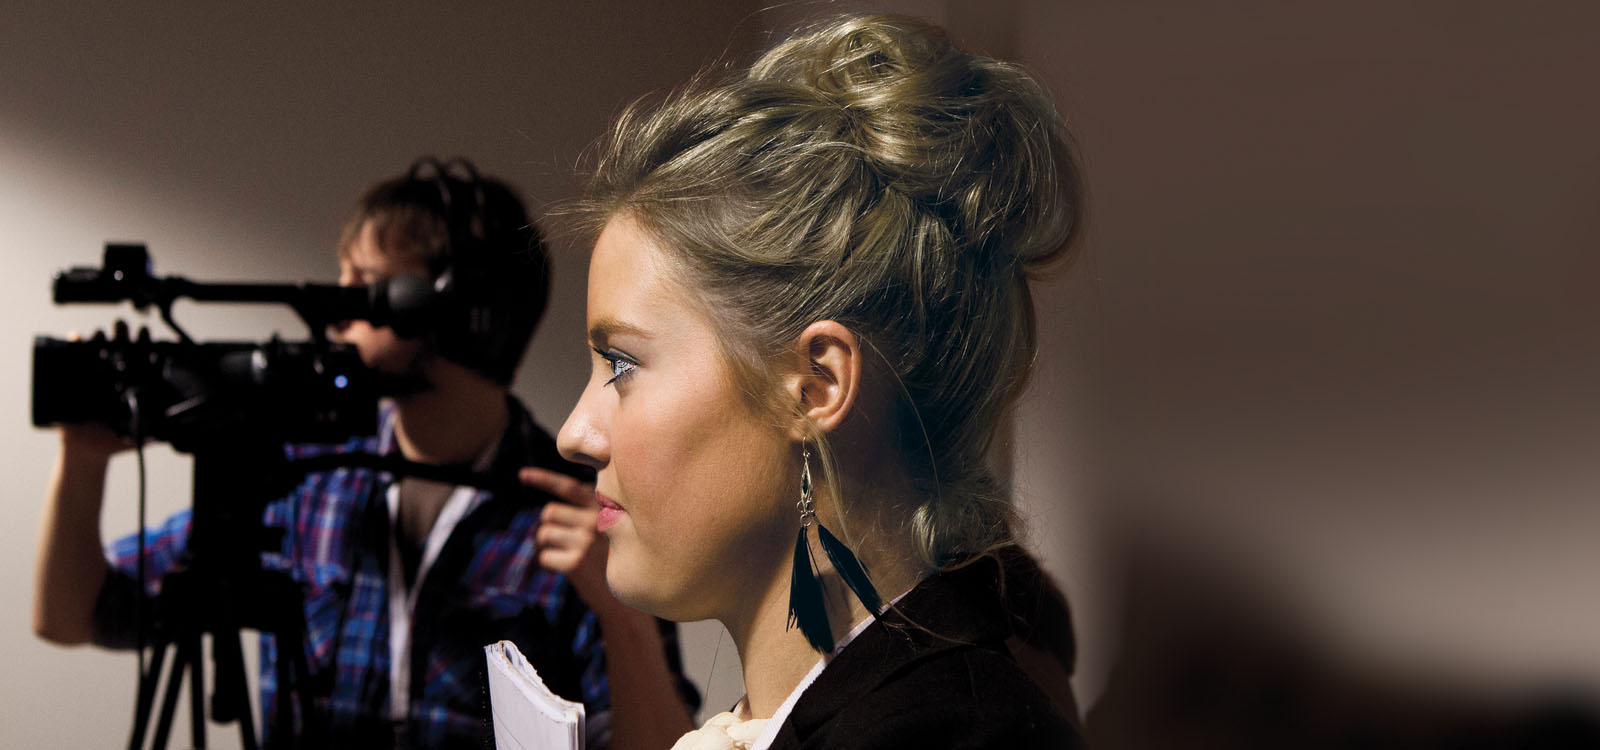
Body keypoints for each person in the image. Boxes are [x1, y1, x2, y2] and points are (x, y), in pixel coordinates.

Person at [33, 158, 698, 748]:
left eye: (366, 283)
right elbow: (71, 616)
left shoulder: (575, 515)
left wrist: (622, 615)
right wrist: (83, 460)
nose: (336, 310)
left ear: (460, 313)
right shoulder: (307, 478)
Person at [557, 13, 1085, 750]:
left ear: (814, 385)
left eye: (621, 365)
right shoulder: (832, 715)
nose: (574, 432)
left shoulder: (948, 737)